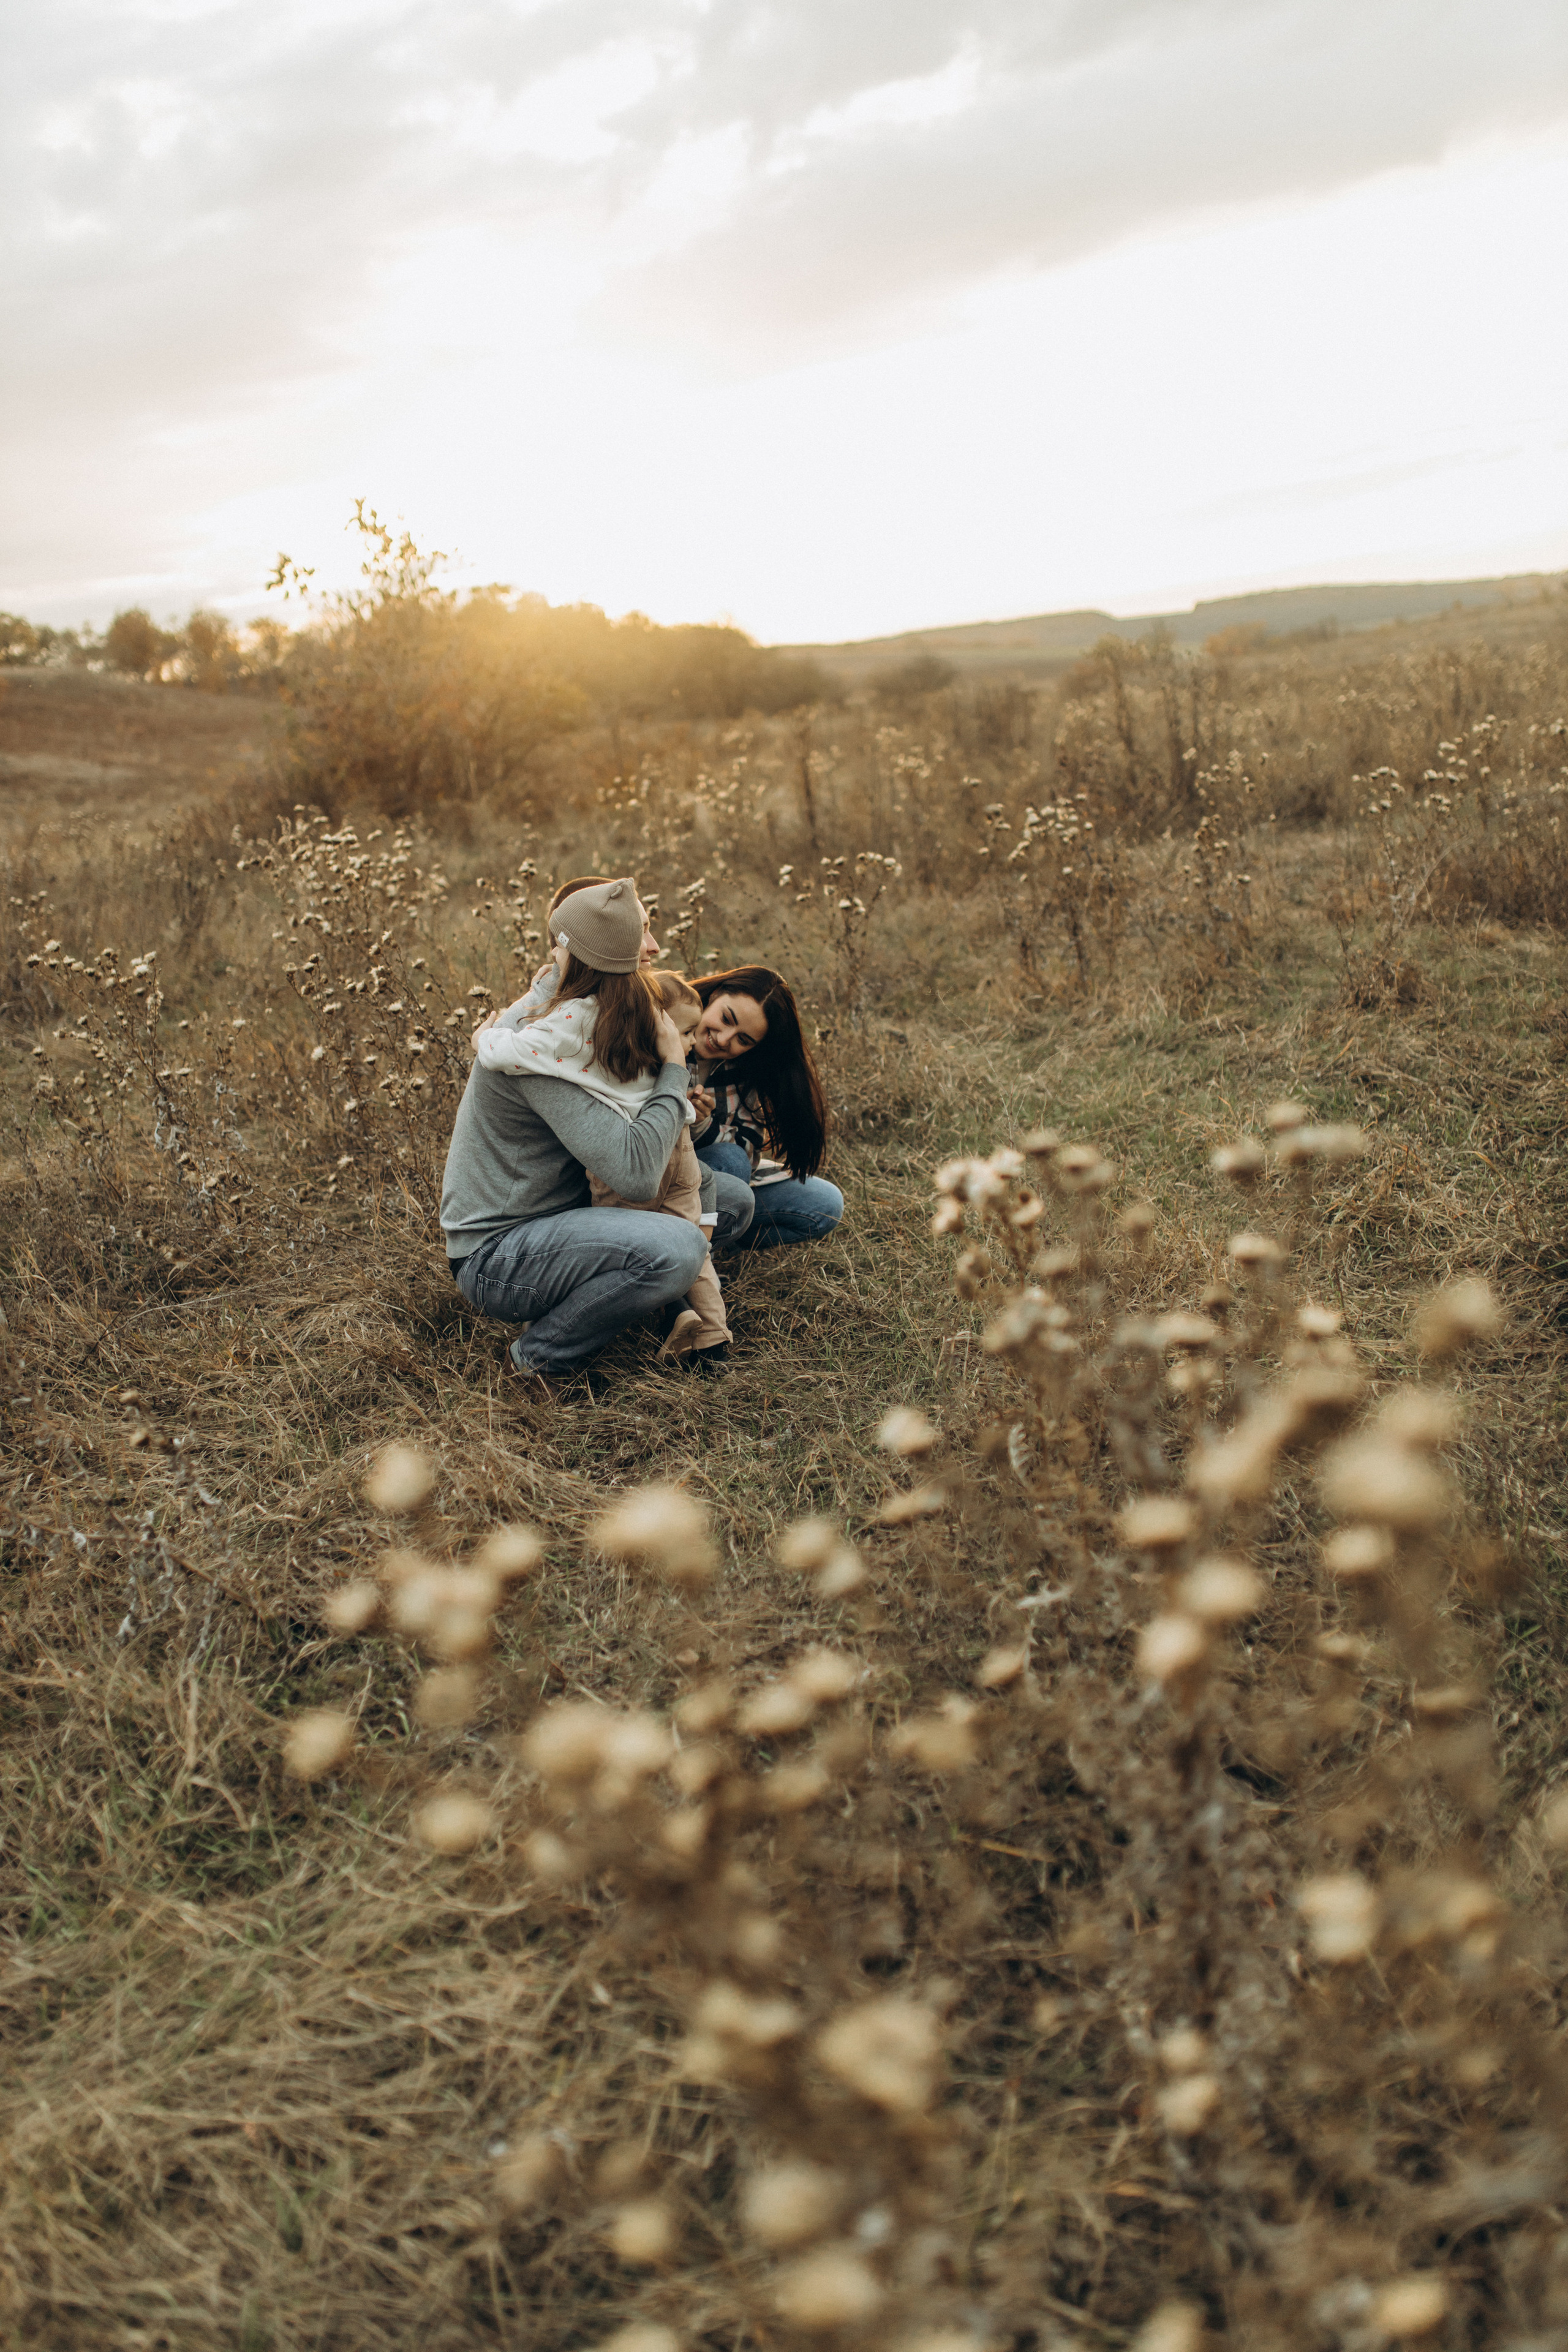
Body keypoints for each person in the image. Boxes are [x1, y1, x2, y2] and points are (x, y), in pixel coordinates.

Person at [440, 877, 708, 1392]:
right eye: (642, 935)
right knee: (678, 1248)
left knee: (731, 1203)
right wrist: (676, 1068)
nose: (653, 948)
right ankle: (536, 1359)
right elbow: (636, 1175)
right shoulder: (542, 1051)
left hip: (557, 1226)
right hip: (495, 1256)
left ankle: (638, 1299)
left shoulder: (577, 1017)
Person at [473, 965, 731, 1373]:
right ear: (658, 1029)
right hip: (673, 1170)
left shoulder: (627, 1068)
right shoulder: (664, 1069)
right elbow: (669, 1141)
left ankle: (558, 1340)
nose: (691, 1043)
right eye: (684, 1033)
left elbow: (511, 1052)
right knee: (690, 1253)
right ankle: (707, 1337)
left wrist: (485, 1037)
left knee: (646, 1250)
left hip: (648, 1172)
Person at [685, 967, 845, 1251]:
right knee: (731, 1162)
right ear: (716, 994)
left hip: (719, 1185)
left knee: (825, 1204)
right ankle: (682, 1254)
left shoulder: (746, 1069)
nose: (724, 1039)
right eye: (726, 1019)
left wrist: (702, 1126)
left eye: (743, 1040)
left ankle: (715, 1241)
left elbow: (749, 1151)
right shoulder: (662, 1028)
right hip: (660, 1185)